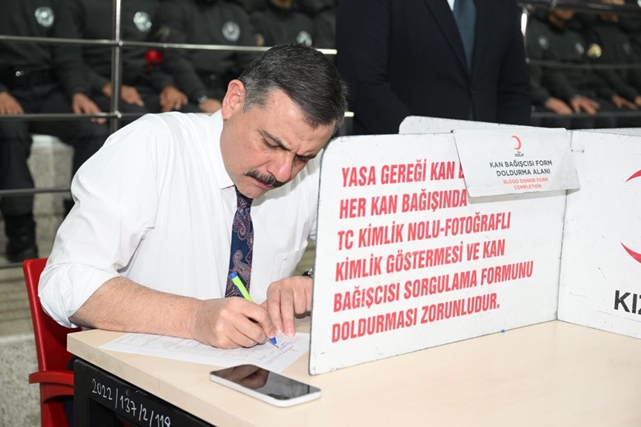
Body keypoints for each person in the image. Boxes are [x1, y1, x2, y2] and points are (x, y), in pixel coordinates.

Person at [40, 44, 348, 351]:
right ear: (234, 101)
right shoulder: (152, 146)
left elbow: (363, 261)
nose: (282, 172)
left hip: (255, 364)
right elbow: (64, 281)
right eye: (271, 143)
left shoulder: (314, 169)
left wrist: (313, 282)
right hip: (143, 370)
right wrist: (193, 318)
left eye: (303, 157)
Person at [0, 0, 108, 262]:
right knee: (9, 132)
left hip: (50, 90)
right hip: (9, 90)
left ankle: (77, 228)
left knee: (92, 129)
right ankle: (21, 236)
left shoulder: (57, 3)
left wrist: (78, 92)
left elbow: (68, 54)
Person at [335, 0, 531, 135]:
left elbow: (515, 88)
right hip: (401, 162)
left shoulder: (503, 4)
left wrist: (506, 148)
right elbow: (362, 81)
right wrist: (427, 147)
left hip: (488, 164)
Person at [67, 0, 199, 126]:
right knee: (140, 123)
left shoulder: (151, 4)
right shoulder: (77, 4)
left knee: (190, 118)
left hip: (146, 88)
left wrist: (167, 86)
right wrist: (105, 85)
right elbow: (69, 58)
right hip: (99, 89)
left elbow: (155, 55)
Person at [152, 0, 258, 114]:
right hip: (187, 91)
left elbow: (249, 61)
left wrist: (250, 95)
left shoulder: (236, 12)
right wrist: (201, 97)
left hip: (228, 88)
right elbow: (175, 59)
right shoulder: (174, 7)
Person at [526, 8, 619, 129]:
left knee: (607, 114)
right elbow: (547, 72)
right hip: (541, 94)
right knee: (566, 119)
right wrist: (547, 98)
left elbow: (588, 73)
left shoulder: (577, 32)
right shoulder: (532, 28)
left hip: (575, 92)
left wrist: (611, 94)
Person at [583, 0, 641, 127]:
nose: (615, 2)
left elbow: (634, 71)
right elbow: (603, 70)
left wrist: (635, 96)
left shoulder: (625, 33)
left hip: (625, 92)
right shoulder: (592, 32)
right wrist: (632, 96)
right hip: (603, 92)